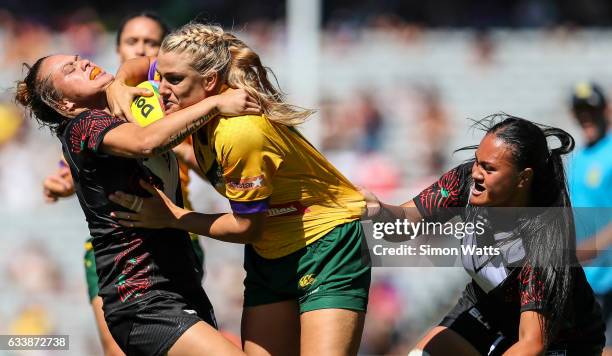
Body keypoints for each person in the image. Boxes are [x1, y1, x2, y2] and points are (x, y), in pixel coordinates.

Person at [107, 23, 371, 356]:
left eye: (173, 80)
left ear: (209, 81)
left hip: (325, 243)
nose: (159, 89)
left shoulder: (239, 133)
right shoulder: (189, 100)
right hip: (268, 253)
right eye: (161, 76)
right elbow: (142, 66)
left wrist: (173, 217)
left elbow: (247, 226)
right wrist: (118, 83)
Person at [16, 53, 259, 355]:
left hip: (178, 283)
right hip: (140, 296)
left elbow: (151, 60)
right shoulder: (82, 125)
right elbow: (146, 142)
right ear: (63, 104)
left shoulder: (130, 102)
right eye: (71, 69)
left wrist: (120, 81)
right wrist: (215, 104)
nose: (84, 64)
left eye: (79, 59)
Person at [365, 115, 604, 355]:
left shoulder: (542, 245)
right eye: (478, 162)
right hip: (488, 309)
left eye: (489, 169)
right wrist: (379, 211)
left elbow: (531, 343)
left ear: (523, 178)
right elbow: (404, 224)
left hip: (562, 340)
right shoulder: (464, 182)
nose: (477, 174)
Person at [39, 13, 206, 356]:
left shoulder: (167, 95)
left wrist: (172, 140)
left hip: (179, 230)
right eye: (132, 41)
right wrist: (61, 185)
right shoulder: (92, 118)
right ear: (118, 48)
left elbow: (212, 169)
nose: (141, 48)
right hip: (130, 257)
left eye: (150, 42)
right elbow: (83, 171)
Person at [568, 82, 612, 356]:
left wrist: (593, 247)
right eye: (580, 111)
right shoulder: (579, 157)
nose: (586, 117)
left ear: (606, 110)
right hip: (587, 276)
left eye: (591, 110)